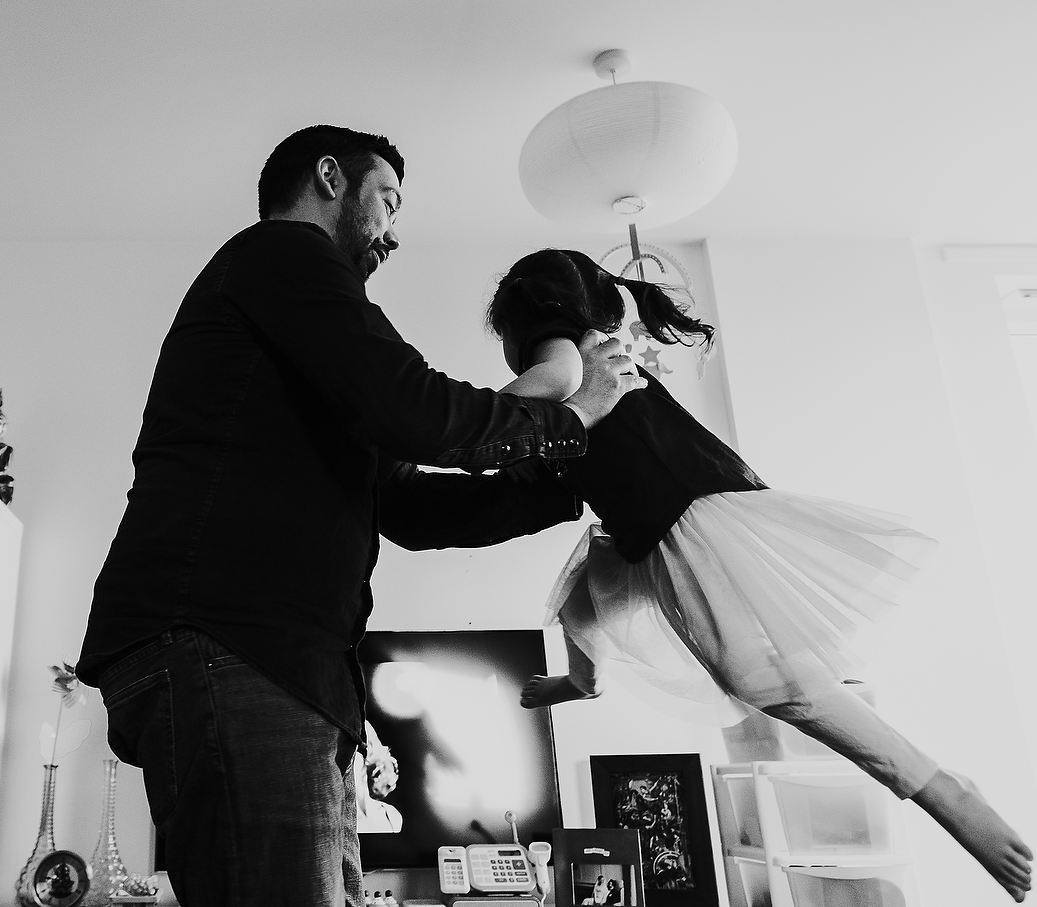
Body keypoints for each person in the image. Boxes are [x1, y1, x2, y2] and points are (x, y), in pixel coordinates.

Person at [75, 127, 644, 907]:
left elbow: (408, 505)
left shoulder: (301, 346)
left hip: (272, 665)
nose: (395, 230)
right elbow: (414, 406)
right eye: (388, 200)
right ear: (331, 178)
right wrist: (570, 419)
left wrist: (563, 483)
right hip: (229, 642)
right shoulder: (282, 256)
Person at [488, 248, 1033, 902]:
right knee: (580, 603)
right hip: (638, 523)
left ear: (526, 322)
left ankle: (939, 788)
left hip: (682, 519)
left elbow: (506, 408)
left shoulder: (569, 353)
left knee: (769, 685)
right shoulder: (604, 348)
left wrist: (464, 416)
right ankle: (584, 681)